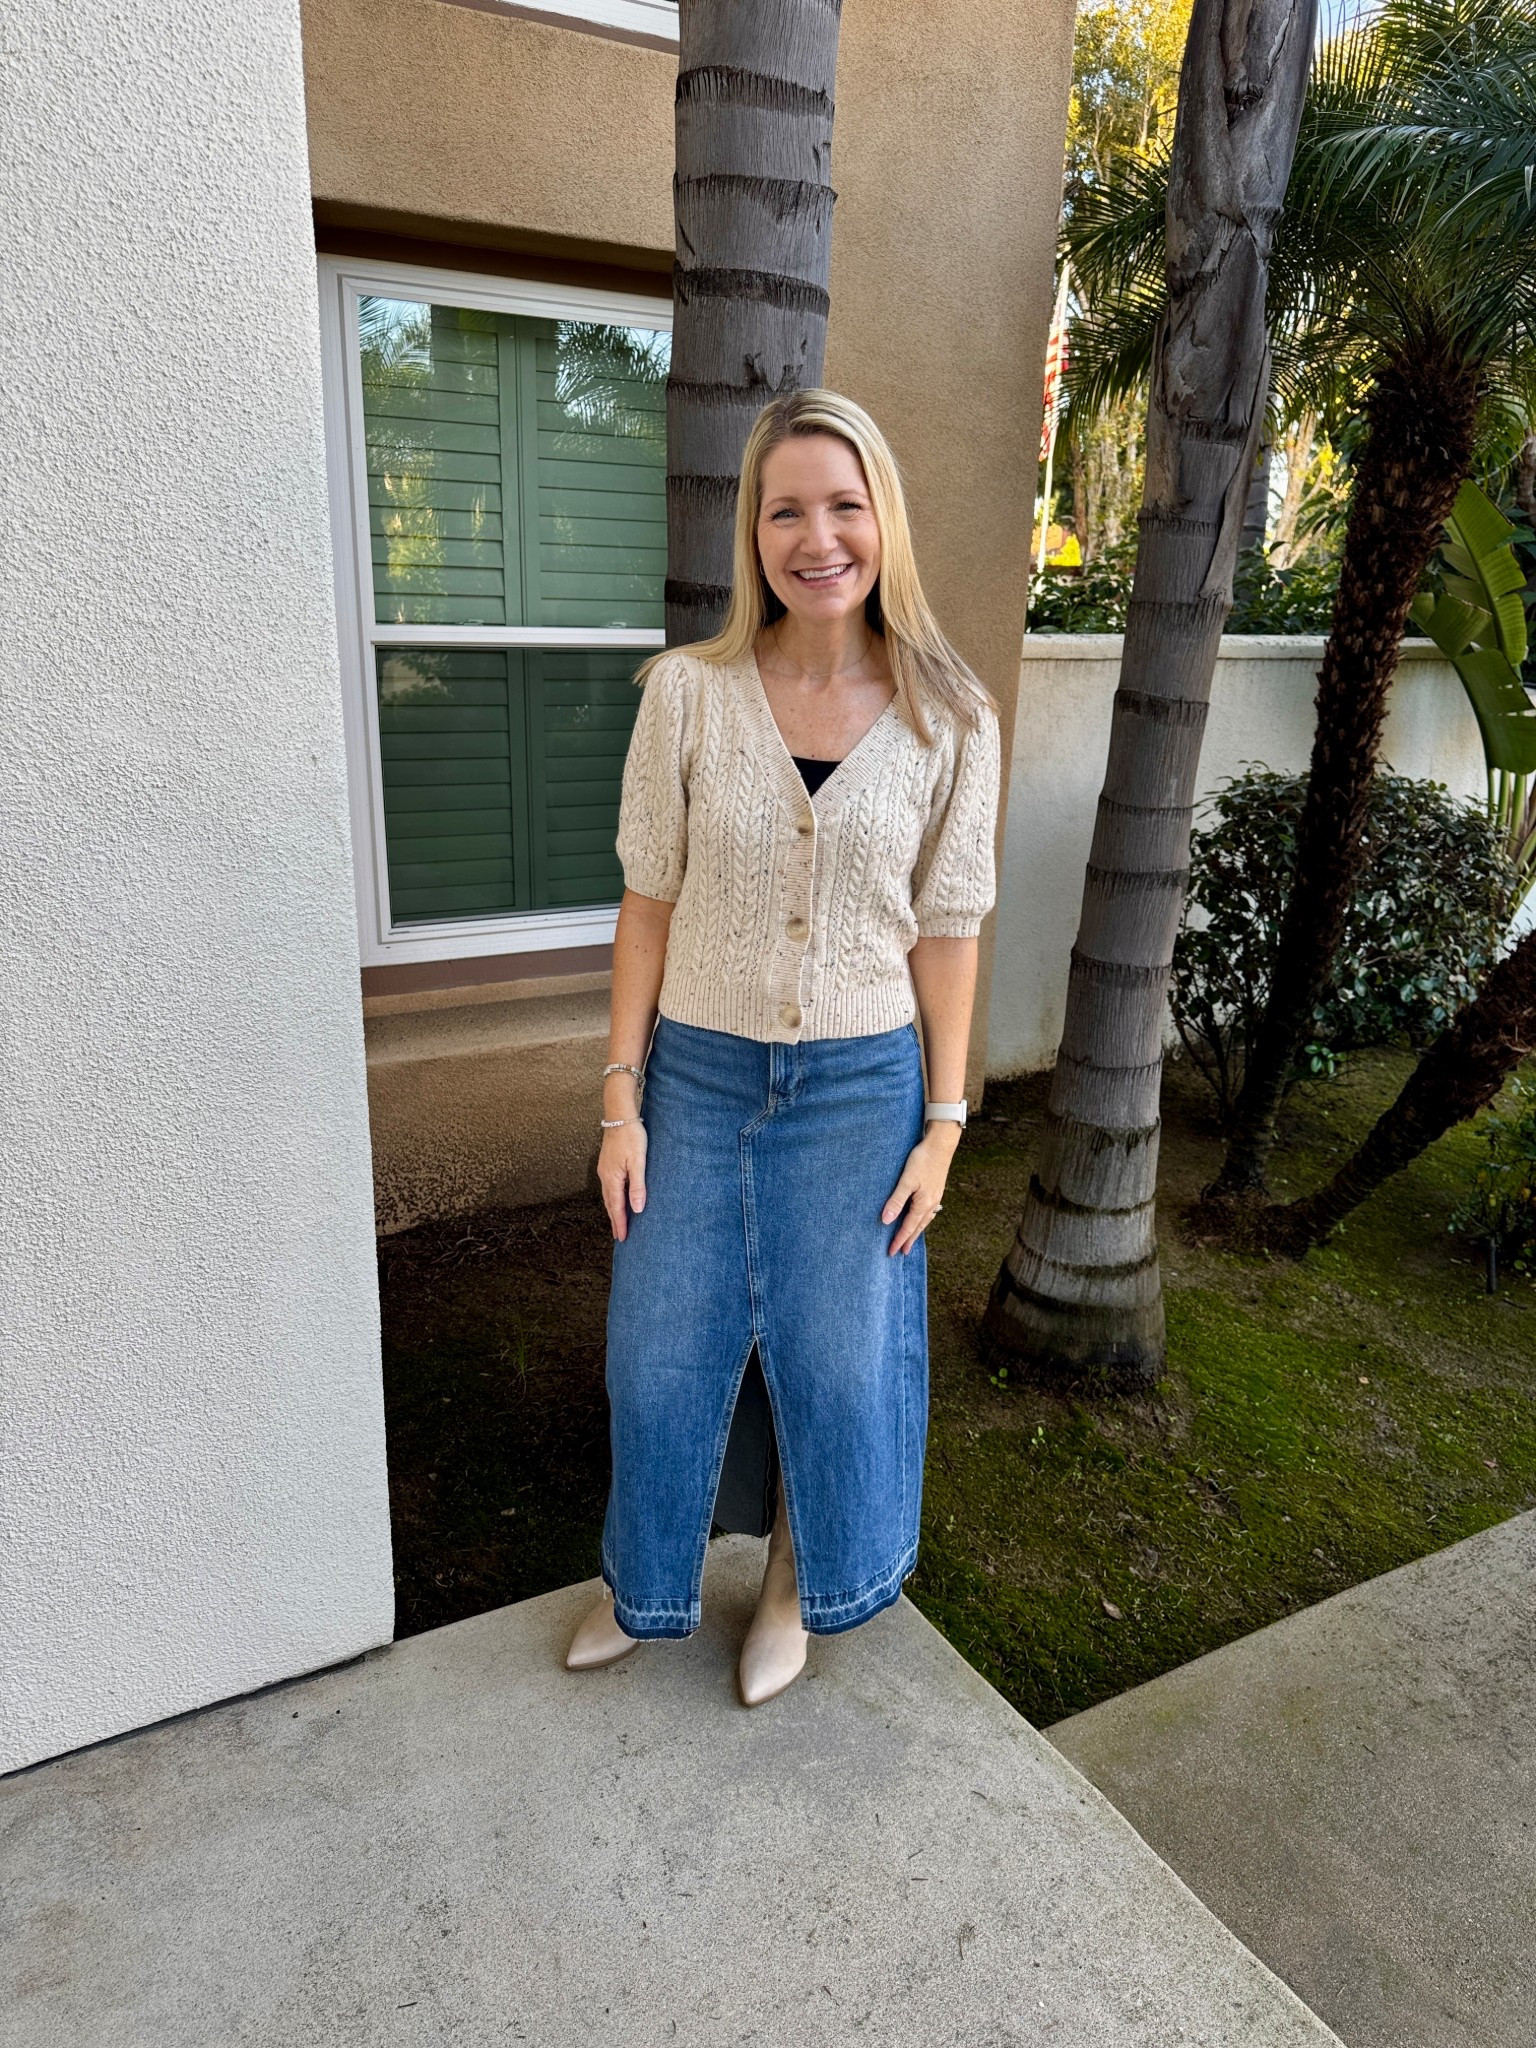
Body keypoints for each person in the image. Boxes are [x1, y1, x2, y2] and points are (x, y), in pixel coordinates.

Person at [565, 388, 1001, 1706]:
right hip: (694, 1079)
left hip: (863, 1092)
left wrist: (943, 1121)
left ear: (885, 524)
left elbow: (950, 926)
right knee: (657, 1352)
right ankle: (641, 1583)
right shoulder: (687, 699)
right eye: (787, 509)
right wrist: (619, 1102)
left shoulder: (949, 719)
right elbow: (648, 907)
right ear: (753, 532)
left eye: (845, 505)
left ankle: (795, 1593)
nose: (819, 537)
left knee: (835, 1358)